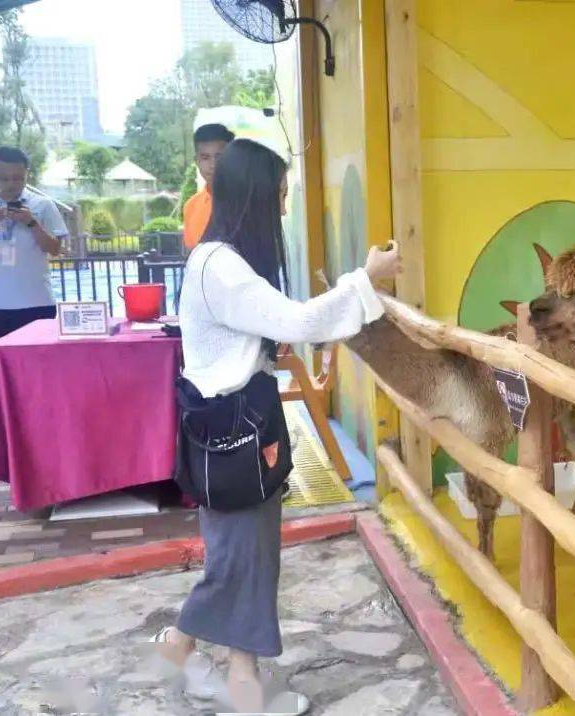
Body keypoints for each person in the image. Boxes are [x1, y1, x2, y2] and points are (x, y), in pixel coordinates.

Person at [153, 137, 400, 714]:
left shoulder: (222, 261)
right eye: (281, 196)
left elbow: (272, 326)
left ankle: (225, 669)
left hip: (238, 427)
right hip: (232, 433)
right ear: (256, 198)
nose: (285, 208)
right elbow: (299, 318)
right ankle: (190, 651)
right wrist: (365, 278)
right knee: (239, 558)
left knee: (248, 554)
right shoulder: (222, 266)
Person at [0, 146, 69, 341]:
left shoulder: (43, 205)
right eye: (4, 178)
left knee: (36, 367)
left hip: (36, 301)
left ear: (27, 173)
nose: (12, 184)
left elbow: (56, 250)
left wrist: (32, 223)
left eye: (18, 177)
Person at [182, 123, 235, 250]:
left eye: (219, 156)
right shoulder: (191, 207)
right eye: (205, 158)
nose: (213, 165)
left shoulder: (249, 202)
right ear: (197, 161)